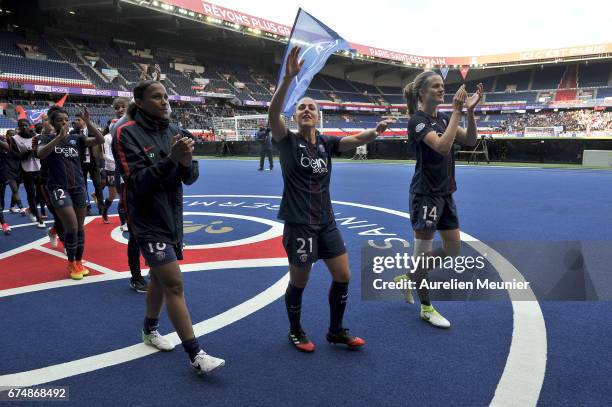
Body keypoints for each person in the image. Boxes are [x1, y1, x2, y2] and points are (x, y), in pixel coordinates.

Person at [268, 46, 392, 352]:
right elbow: (273, 114)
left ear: (319, 116)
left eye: (312, 107)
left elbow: (355, 140)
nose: (307, 110)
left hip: (326, 222)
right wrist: (287, 81)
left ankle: (336, 330)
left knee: (343, 275)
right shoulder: (287, 141)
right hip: (299, 224)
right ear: (295, 116)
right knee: (300, 280)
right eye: (301, 108)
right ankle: (295, 330)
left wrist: (374, 132)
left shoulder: (326, 143)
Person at [113, 80, 224, 374]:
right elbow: (136, 183)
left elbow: (190, 177)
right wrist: (171, 160)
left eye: (165, 96)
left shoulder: (176, 131)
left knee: (160, 280)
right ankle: (196, 355)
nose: (164, 102)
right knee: (174, 283)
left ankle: (149, 330)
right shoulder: (126, 133)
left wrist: (186, 162)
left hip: (172, 219)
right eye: (156, 97)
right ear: (139, 99)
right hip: (146, 221)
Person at [394, 71, 482, 328]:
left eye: (443, 86)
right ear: (422, 92)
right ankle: (426, 307)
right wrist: (457, 111)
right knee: (421, 253)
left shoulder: (444, 117)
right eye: (436, 86)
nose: (442, 90)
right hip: (425, 196)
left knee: (453, 249)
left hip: (446, 193)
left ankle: (409, 276)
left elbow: (472, 141)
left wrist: (469, 112)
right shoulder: (418, 121)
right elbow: (443, 146)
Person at [37, 105, 105, 280]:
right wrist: (57, 138)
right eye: (60, 120)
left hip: (78, 186)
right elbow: (40, 154)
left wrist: (89, 123)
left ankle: (79, 262)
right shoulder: (44, 137)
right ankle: (71, 262)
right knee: (72, 226)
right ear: (52, 123)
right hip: (58, 187)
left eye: (66, 120)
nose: (65, 123)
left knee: (80, 227)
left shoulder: (76, 138)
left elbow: (99, 140)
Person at [109, 97, 148, 293]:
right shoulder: (118, 127)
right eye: (117, 108)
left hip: (150, 184)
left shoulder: (146, 126)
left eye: (123, 107)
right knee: (135, 233)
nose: (120, 110)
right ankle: (136, 276)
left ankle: (157, 266)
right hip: (129, 184)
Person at [12, 118, 46, 229]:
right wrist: (29, 151)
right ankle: (38, 217)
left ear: (30, 125)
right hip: (26, 170)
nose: (24, 127)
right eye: (21, 125)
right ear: (18, 127)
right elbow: (16, 157)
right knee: (31, 194)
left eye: (26, 125)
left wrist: (35, 151)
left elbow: (42, 152)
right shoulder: (15, 139)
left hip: (40, 168)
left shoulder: (37, 137)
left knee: (42, 194)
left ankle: (32, 209)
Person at [73, 111, 104, 216]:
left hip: (93, 162)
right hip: (80, 163)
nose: (76, 122)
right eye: (75, 120)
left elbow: (100, 147)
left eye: (79, 120)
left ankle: (101, 207)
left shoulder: (93, 131)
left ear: (84, 121)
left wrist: (102, 164)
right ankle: (87, 207)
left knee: (98, 185)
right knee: (83, 186)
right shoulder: (73, 133)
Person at [3, 130, 24, 214]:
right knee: (15, 190)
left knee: (16, 190)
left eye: (13, 135)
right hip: (8, 172)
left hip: (18, 171)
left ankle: (12, 206)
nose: (12, 137)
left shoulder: (17, 146)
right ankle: (21, 207)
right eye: (10, 135)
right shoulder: (3, 147)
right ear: (6, 136)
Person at [0, 132, 11, 234]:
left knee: (2, 196)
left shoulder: (1, 138)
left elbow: (7, 147)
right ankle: (3, 222)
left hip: (1, 173)